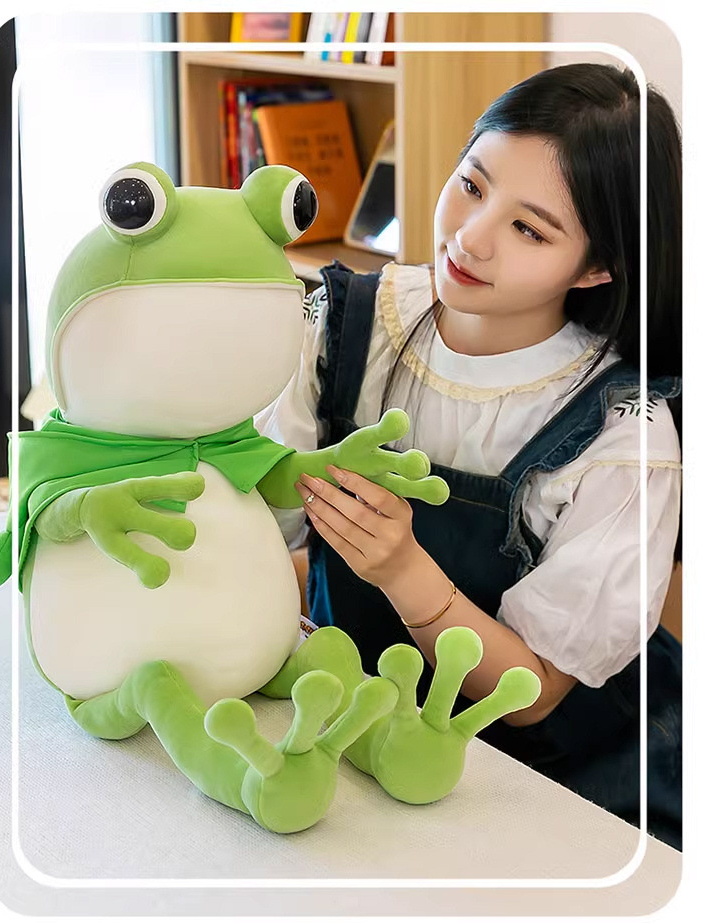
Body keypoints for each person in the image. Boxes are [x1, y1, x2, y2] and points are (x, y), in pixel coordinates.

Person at [255, 63, 682, 850]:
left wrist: (400, 568)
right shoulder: (350, 324)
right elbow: (271, 529)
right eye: (472, 184)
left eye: (530, 230)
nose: (472, 237)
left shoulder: (626, 436)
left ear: (597, 266)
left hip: (558, 780)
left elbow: (533, 694)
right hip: (364, 730)